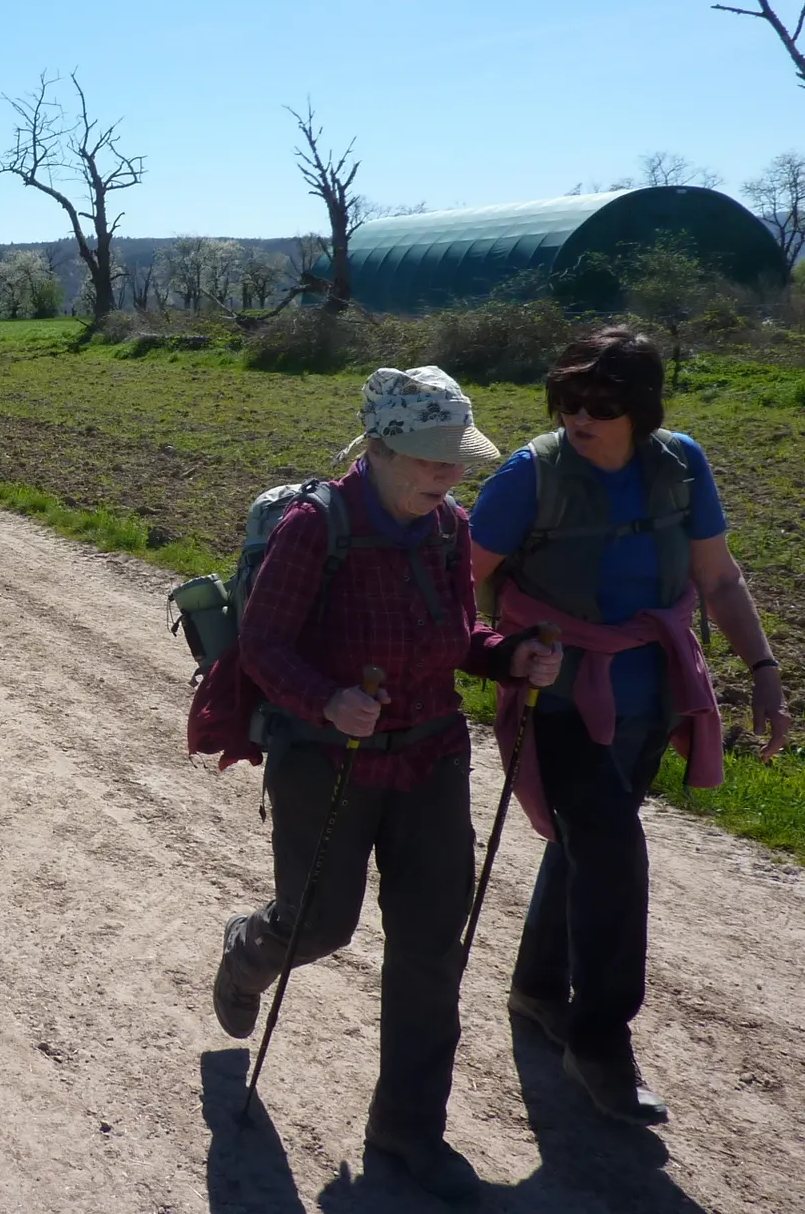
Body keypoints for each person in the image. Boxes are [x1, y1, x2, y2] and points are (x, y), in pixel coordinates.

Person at [207, 366, 561, 1204]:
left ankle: (408, 1135)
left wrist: (507, 655)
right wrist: (326, 699)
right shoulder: (312, 527)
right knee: (321, 923)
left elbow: (456, 636)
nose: (450, 472)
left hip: (432, 757)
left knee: (433, 948)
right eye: (433, 457)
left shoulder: (449, 530)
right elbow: (263, 646)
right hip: (328, 760)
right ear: (381, 447)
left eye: (457, 457)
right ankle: (248, 952)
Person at [470, 326, 790, 1126]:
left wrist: (763, 670)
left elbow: (717, 577)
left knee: (586, 846)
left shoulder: (678, 464)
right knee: (614, 854)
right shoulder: (529, 475)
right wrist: (494, 656)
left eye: (602, 404)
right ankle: (599, 1038)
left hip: (652, 693)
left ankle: (539, 989)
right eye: (568, 399)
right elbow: (460, 579)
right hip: (562, 696)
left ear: (642, 410)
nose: (580, 415)